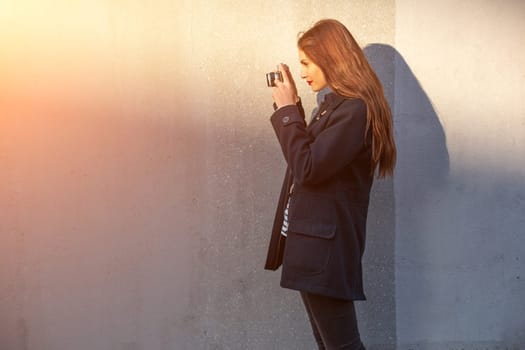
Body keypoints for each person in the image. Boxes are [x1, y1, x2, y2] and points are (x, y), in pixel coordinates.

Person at [264, 19, 396, 350]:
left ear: (330, 57)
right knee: (328, 344)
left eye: (307, 62)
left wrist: (285, 113)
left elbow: (307, 168)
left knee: (342, 345)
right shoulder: (333, 108)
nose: (304, 71)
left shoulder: (354, 111)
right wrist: (293, 106)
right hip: (313, 244)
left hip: (325, 249)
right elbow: (308, 159)